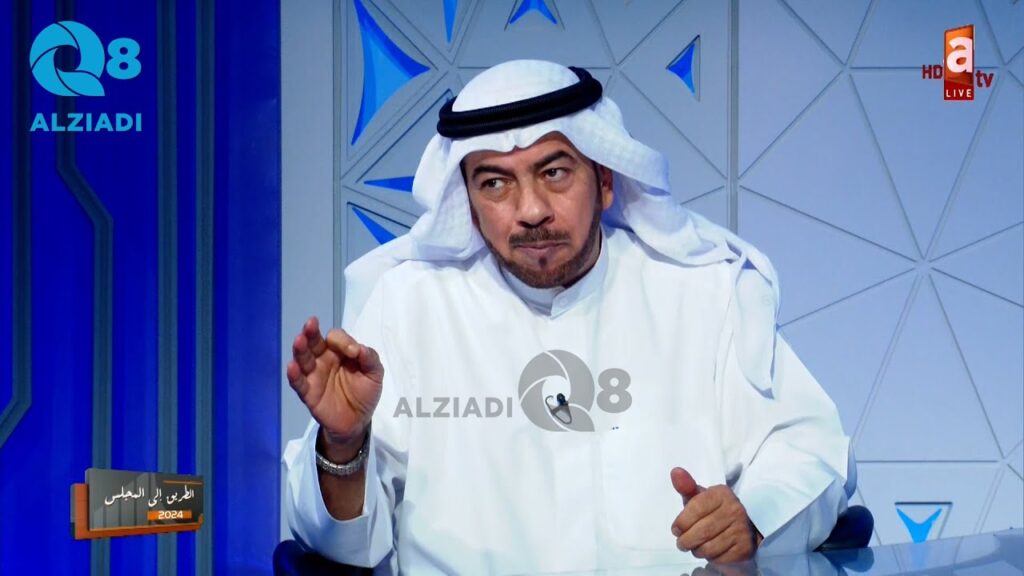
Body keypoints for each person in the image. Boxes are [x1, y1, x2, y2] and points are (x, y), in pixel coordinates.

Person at [283, 60, 855, 575]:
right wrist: (343, 444)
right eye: (495, 183)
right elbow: (344, 545)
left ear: (604, 180)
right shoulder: (410, 304)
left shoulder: (704, 293)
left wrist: (753, 516)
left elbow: (812, 452)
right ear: (468, 206)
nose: (530, 210)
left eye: (554, 172)